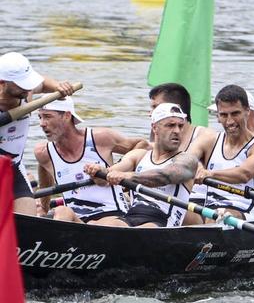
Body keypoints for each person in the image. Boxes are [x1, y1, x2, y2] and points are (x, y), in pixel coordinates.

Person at [34, 97, 149, 224]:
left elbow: (142, 145)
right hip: (77, 221)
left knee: (94, 223)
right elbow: (45, 183)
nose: (42, 123)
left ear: (67, 116)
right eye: (40, 117)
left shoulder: (100, 138)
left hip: (113, 216)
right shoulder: (43, 153)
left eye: (48, 117)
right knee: (61, 211)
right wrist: (43, 210)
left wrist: (116, 172)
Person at [84, 103, 198, 227]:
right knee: (95, 224)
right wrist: (98, 172)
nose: (177, 131)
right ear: (155, 128)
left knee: (137, 232)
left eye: (181, 126)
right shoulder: (138, 156)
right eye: (170, 125)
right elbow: (105, 180)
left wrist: (128, 176)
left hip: (163, 224)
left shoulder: (187, 160)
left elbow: (164, 176)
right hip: (131, 216)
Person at [0, 51, 75, 215]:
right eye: (22, 84)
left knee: (28, 224)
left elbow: (42, 84)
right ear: (2, 82)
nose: (28, 88)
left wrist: (57, 86)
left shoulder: (27, 92)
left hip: (14, 169)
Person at [188, 85, 254, 221]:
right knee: (181, 212)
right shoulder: (209, 141)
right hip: (212, 211)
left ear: (247, 111)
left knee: (219, 214)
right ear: (218, 116)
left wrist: (209, 174)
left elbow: (244, 174)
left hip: (247, 213)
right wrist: (195, 165)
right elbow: (186, 158)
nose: (229, 121)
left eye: (235, 114)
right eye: (223, 115)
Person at [149, 83, 216, 223]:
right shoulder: (157, 134)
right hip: (163, 197)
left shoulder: (205, 136)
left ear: (174, 108)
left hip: (198, 206)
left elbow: (185, 162)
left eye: (156, 107)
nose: (150, 113)